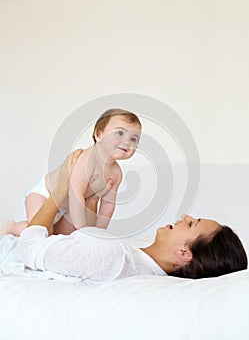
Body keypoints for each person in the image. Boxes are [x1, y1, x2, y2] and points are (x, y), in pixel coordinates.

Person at [0, 150, 247, 281]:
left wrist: (62, 188)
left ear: (184, 253)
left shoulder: (114, 257)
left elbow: (29, 248)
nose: (184, 216)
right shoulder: (133, 254)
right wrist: (95, 199)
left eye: (191, 224)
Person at [6, 108, 142, 236]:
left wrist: (99, 233)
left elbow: (108, 204)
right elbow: (76, 193)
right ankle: (11, 227)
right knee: (40, 233)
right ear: (99, 134)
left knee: (59, 237)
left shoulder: (116, 173)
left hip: (69, 208)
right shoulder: (87, 159)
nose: (126, 141)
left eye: (133, 139)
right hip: (45, 195)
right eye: (119, 133)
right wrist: (83, 231)